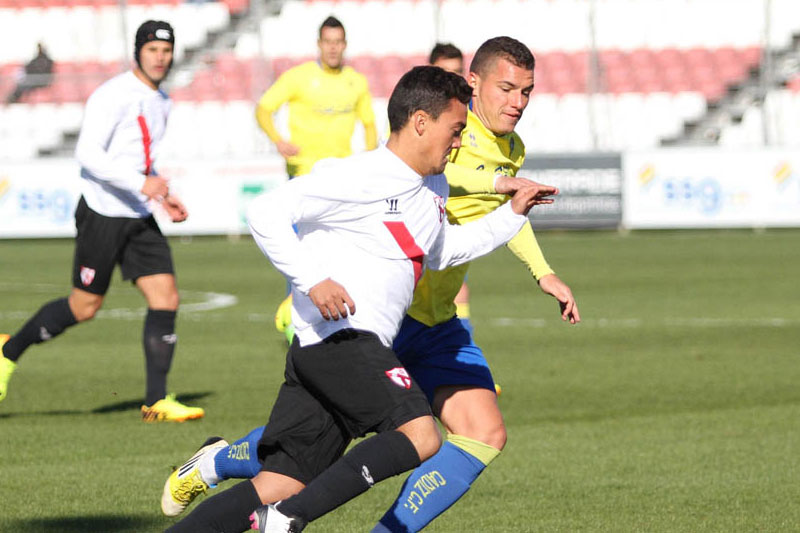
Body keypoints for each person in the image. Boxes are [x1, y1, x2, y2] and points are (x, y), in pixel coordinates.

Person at [161, 37, 580, 531]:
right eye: (454, 129)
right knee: (423, 434)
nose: (458, 140)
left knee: (280, 480)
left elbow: (442, 250)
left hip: (352, 344)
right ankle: (286, 521)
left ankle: (235, 500)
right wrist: (313, 279)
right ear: (421, 122)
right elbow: (265, 211)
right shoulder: (360, 175)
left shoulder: (432, 186)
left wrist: (512, 214)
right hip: (343, 339)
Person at [0, 21, 204, 423]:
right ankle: (8, 351)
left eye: (166, 51)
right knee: (84, 306)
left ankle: (155, 402)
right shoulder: (113, 95)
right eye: (152, 50)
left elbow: (142, 161)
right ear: (138, 52)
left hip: (139, 215)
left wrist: (163, 194)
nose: (160, 58)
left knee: (166, 298)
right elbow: (88, 155)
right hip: (103, 213)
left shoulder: (162, 100)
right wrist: (142, 183)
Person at [256, 15, 379, 343]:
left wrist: (367, 160)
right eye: (328, 42)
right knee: (300, 249)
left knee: (337, 250)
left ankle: (333, 319)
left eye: (339, 42)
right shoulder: (299, 77)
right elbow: (264, 108)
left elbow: (369, 124)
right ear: (319, 44)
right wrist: (279, 140)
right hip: (304, 177)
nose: (334, 48)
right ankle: (294, 320)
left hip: (340, 181)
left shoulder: (356, 82)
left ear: (345, 45)